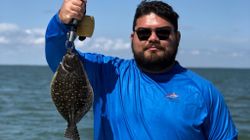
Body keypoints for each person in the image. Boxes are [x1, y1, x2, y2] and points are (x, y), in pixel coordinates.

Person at [45, 0, 238, 139]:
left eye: (162, 33)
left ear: (177, 37)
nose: (153, 38)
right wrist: (61, 21)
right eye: (144, 33)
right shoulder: (108, 74)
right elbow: (58, 55)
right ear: (133, 37)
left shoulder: (205, 92)